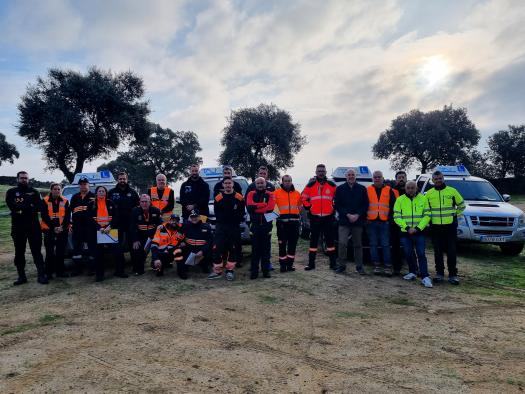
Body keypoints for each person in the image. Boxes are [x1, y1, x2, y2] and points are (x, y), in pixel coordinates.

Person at [5, 171, 48, 285]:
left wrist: (22, 208)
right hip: (18, 228)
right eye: (22, 178)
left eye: (26, 178)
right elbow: (12, 206)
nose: (24, 180)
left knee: (37, 252)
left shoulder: (34, 192)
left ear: (28, 179)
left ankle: (41, 275)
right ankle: (21, 276)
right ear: (17, 179)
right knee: (19, 252)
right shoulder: (11, 192)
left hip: (33, 227)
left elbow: (39, 207)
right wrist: (29, 205)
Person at [426, 170, 465, 285]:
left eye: (440, 178)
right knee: (437, 251)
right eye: (436, 179)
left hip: (450, 227)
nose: (438, 181)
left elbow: (462, 205)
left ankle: (453, 275)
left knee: (451, 252)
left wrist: (455, 214)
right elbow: (426, 210)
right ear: (432, 180)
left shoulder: (452, 191)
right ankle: (439, 274)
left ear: (443, 179)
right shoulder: (428, 194)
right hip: (435, 227)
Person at [393, 181, 433, 288]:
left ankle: (425, 276)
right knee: (408, 253)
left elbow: (427, 215)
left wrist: (417, 228)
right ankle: (412, 272)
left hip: (419, 232)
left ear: (416, 188)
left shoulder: (423, 199)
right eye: (408, 188)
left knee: (421, 254)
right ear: (405, 189)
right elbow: (397, 216)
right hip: (405, 232)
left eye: (412, 188)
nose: (410, 190)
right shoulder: (400, 199)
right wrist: (407, 228)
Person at [87, 186, 128, 282]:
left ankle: (119, 271)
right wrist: (99, 228)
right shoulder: (91, 204)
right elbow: (88, 219)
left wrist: (110, 226)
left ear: (106, 193)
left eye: (103, 191)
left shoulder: (111, 203)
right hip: (97, 232)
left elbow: (116, 216)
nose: (101, 193)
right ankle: (99, 275)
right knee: (98, 254)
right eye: (99, 191)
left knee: (118, 251)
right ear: (96, 193)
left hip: (110, 231)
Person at [301, 164, 337, 271]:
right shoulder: (310, 185)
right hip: (315, 217)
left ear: (325, 172)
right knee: (313, 242)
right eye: (319, 171)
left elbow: (338, 198)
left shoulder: (332, 184)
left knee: (330, 242)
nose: (321, 172)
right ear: (316, 172)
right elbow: (303, 198)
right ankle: (311, 264)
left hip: (328, 217)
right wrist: (309, 207)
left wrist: (333, 207)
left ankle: (333, 264)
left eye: (323, 171)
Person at [334, 168, 369, 274]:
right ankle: (342, 266)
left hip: (357, 221)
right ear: (346, 176)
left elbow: (365, 204)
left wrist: (358, 215)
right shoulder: (340, 189)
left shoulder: (362, 188)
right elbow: (337, 205)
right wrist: (348, 214)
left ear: (355, 176)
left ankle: (359, 267)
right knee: (342, 243)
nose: (351, 176)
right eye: (349, 175)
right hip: (344, 220)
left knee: (358, 245)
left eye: (352, 175)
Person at [210, 177, 245, 281]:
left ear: (233, 184)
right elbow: (217, 213)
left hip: (234, 227)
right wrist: (224, 221)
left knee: (233, 249)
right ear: (223, 185)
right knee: (216, 248)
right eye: (226, 183)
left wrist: (234, 221)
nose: (228, 185)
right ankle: (217, 271)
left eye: (230, 183)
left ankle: (230, 271)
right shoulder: (218, 198)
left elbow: (241, 213)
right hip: (221, 226)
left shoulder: (239, 197)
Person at [366, 170, 399, 276]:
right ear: (372, 178)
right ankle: (376, 266)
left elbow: (394, 206)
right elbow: (364, 205)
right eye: (375, 177)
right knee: (373, 245)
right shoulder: (368, 190)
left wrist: (390, 220)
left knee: (385, 245)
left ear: (383, 178)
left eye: (379, 177)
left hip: (385, 222)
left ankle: (388, 267)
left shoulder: (389, 190)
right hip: (371, 222)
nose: (377, 178)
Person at [246, 177, 276, 279]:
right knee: (255, 250)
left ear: (265, 183)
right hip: (255, 226)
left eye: (262, 183)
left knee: (266, 250)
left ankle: (266, 271)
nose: (260, 185)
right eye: (258, 183)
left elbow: (271, 208)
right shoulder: (251, 194)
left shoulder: (270, 194)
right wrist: (262, 205)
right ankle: (254, 272)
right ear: (255, 184)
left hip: (267, 226)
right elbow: (249, 207)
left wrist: (256, 207)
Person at [40, 183, 71, 279]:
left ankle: (60, 272)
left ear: (61, 190)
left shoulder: (65, 201)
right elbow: (44, 216)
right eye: (55, 189)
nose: (57, 190)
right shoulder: (44, 201)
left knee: (60, 252)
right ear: (51, 190)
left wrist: (62, 227)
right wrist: (54, 227)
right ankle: (48, 272)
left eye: (58, 189)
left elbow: (67, 216)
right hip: (49, 230)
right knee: (49, 252)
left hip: (62, 230)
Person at [108, 172, 140, 263]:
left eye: (124, 179)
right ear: (117, 180)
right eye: (120, 179)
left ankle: (135, 265)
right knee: (117, 246)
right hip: (116, 224)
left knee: (132, 243)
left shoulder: (133, 192)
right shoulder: (111, 193)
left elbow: (138, 208)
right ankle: (120, 267)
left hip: (130, 223)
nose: (122, 180)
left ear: (127, 179)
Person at [129, 194, 162, 275]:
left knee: (159, 248)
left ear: (150, 202)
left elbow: (160, 223)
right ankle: (138, 269)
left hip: (153, 235)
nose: (144, 203)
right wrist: (135, 240)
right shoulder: (134, 211)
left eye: (146, 202)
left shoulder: (156, 210)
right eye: (142, 202)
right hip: (140, 235)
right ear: (139, 202)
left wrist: (160, 226)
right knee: (137, 248)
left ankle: (155, 264)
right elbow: (132, 226)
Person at [274, 175, 301, 272]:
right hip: (282, 224)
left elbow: (300, 208)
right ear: (282, 182)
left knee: (292, 245)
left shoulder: (297, 193)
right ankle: (282, 265)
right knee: (282, 245)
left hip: (294, 224)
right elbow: (272, 208)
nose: (287, 182)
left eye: (289, 180)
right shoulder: (276, 193)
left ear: (291, 181)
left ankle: (290, 265)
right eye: (285, 181)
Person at [70, 177, 95, 276]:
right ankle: (78, 269)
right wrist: (70, 224)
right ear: (79, 186)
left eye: (85, 184)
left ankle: (91, 269)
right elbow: (70, 212)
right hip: (77, 227)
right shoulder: (75, 197)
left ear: (88, 185)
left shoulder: (93, 196)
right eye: (81, 184)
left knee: (90, 249)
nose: (83, 186)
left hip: (89, 227)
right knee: (77, 250)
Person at [180, 209, 213, 278]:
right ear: (190, 218)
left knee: (206, 269)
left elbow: (209, 242)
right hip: (189, 251)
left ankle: (204, 264)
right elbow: (176, 228)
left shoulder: (206, 227)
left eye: (196, 217)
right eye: (192, 217)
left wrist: (202, 251)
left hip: (202, 252)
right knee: (184, 266)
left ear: (199, 217)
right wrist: (182, 242)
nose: (194, 218)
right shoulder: (186, 226)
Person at [391, 170, 407, 275]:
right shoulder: (391, 191)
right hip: (395, 223)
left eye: (403, 177)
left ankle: (413, 268)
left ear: (406, 178)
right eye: (399, 177)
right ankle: (396, 268)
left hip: (408, 223)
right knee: (395, 246)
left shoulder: (411, 190)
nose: (401, 179)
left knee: (409, 246)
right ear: (396, 180)